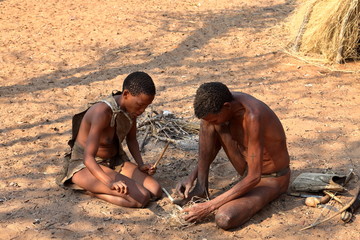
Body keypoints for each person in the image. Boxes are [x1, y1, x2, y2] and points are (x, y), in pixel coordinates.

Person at [175, 82, 290, 230]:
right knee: (207, 123)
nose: (215, 122)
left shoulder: (254, 116)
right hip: (247, 167)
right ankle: (201, 189)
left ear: (227, 106)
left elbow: (255, 177)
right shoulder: (220, 101)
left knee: (224, 218)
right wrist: (192, 176)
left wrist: (209, 207)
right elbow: (213, 144)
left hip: (270, 178)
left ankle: (207, 200)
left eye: (216, 118)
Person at [59, 71, 162, 208]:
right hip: (87, 167)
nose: (142, 110)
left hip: (115, 162)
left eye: (146, 106)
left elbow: (131, 140)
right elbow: (88, 158)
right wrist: (109, 182)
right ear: (126, 94)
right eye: (140, 105)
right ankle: (92, 190)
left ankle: (102, 185)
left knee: (156, 191)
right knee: (141, 198)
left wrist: (140, 164)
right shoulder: (102, 112)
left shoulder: (132, 110)